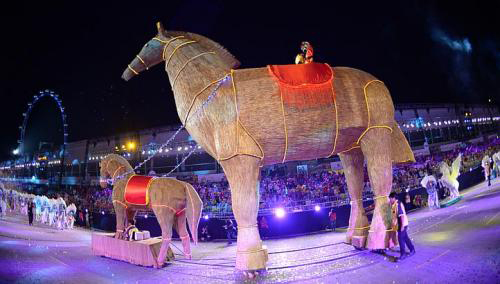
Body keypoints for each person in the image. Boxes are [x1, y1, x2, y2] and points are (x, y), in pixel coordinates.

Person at [389, 192, 415, 260]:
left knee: (400, 239)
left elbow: (402, 216)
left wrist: (402, 226)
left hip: (402, 224)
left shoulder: (398, 204)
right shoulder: (394, 205)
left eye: (390, 199)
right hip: (399, 224)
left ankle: (403, 254)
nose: (390, 200)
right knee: (405, 238)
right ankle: (412, 249)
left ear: (394, 198)